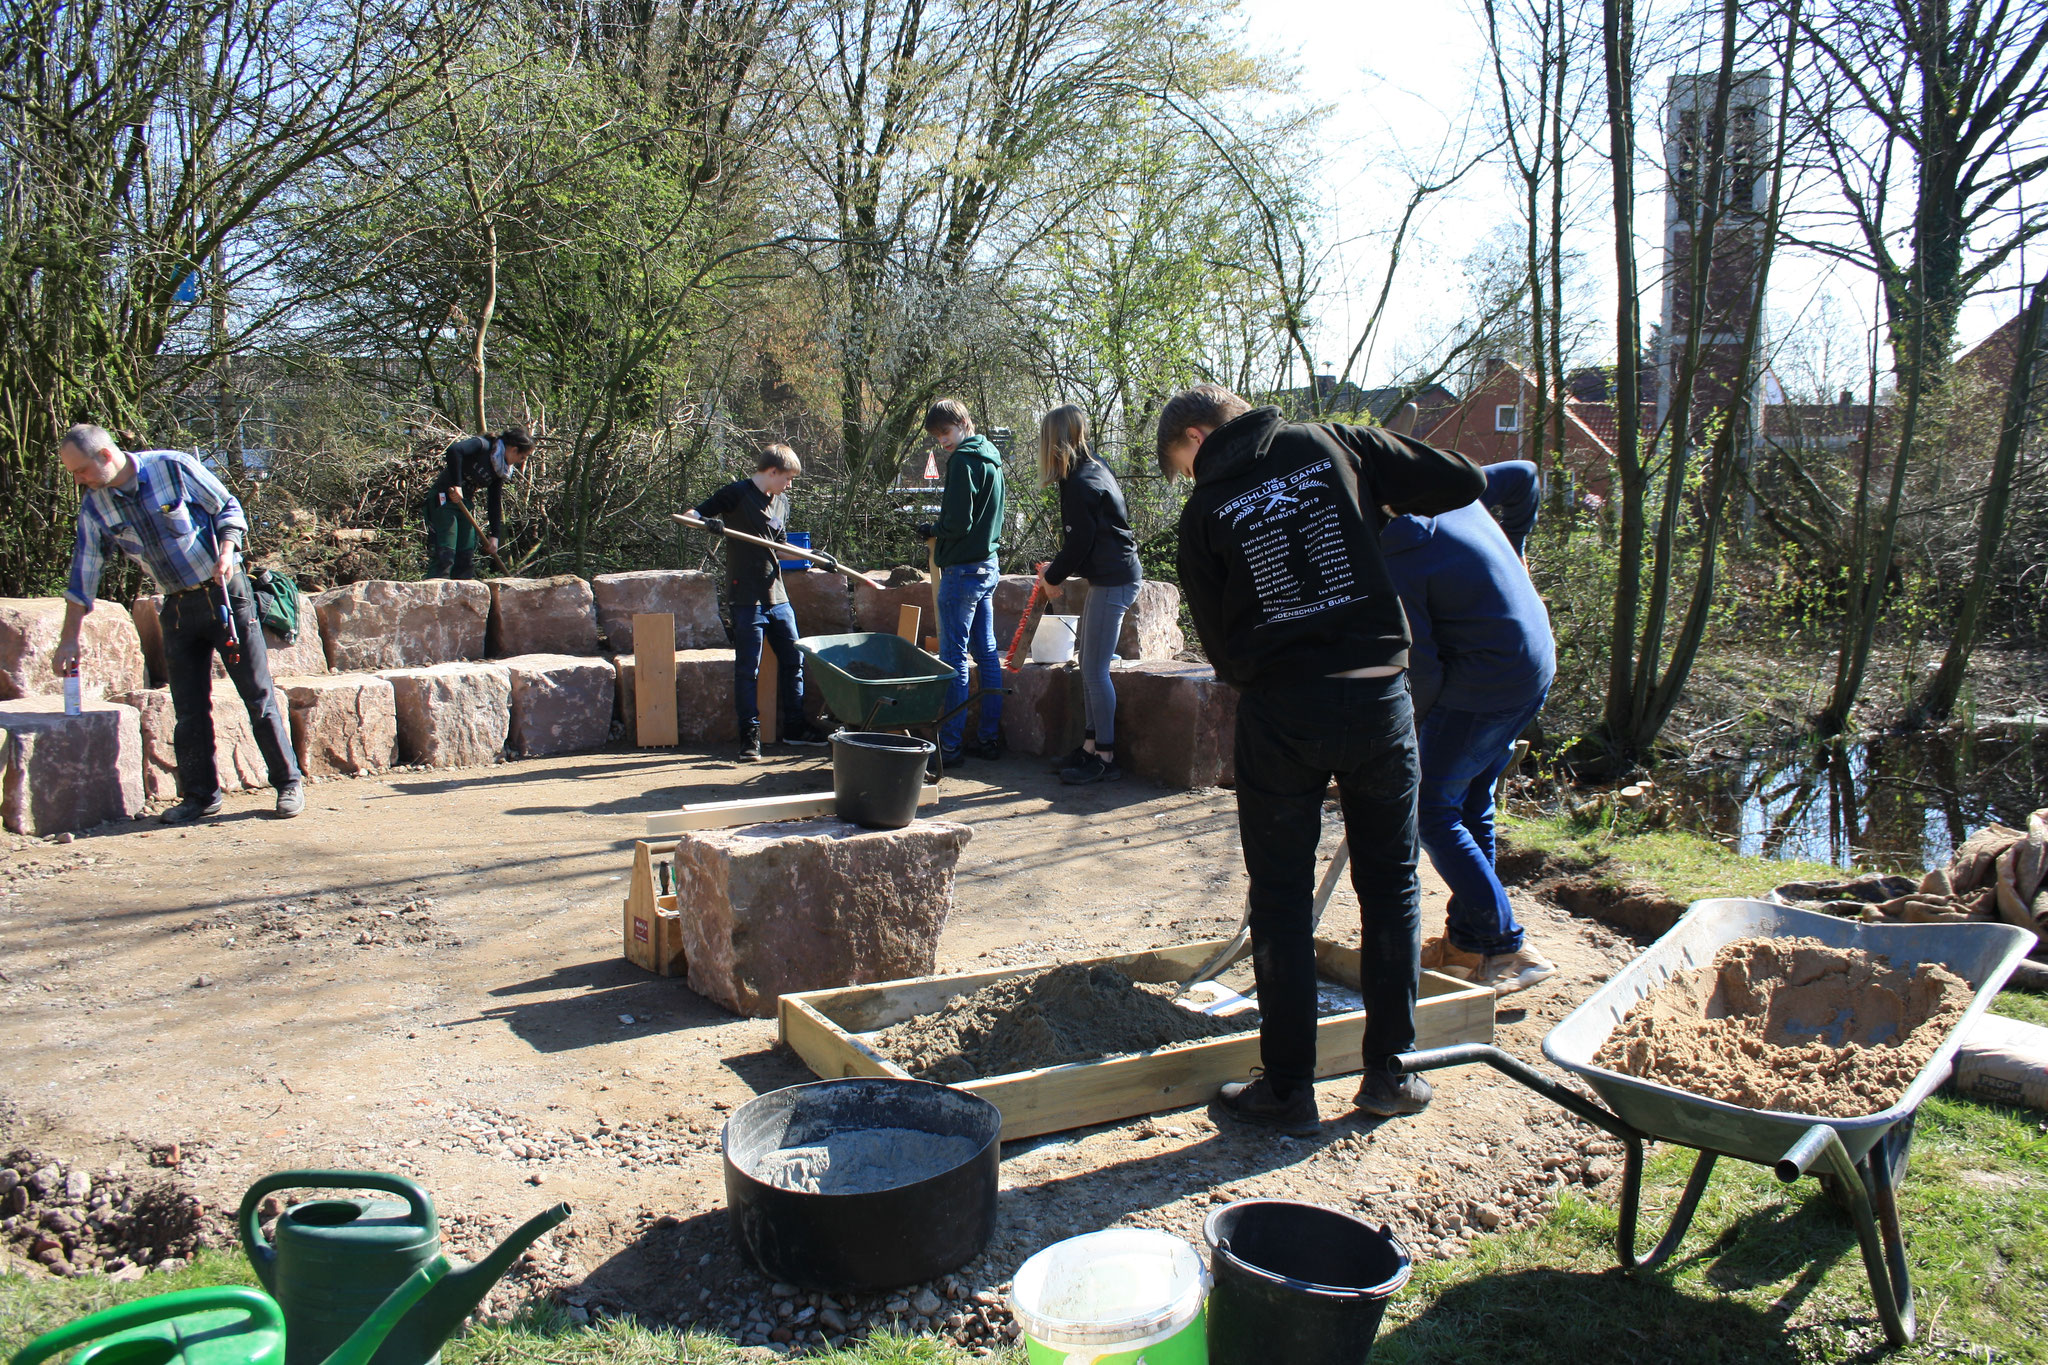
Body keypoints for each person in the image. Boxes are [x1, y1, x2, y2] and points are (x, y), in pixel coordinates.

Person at [1159, 383, 1483, 1131]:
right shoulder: (1334, 442)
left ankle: (1289, 1088)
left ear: (1201, 434)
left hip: (1284, 714)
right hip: (1378, 698)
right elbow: (1462, 479)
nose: (1192, 480)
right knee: (1392, 884)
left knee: (1279, 898)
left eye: (1186, 463)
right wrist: (1379, 508)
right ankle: (1389, 1075)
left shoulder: (1204, 513)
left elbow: (1221, 652)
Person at [55, 424, 304, 823]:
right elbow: (84, 573)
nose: (77, 479)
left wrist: (227, 551)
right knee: (188, 707)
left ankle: (288, 783)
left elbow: (228, 508)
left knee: (257, 694)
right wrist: (69, 639)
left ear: (105, 455)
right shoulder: (95, 507)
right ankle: (200, 796)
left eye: (80, 470)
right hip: (175, 606)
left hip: (225, 594)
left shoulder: (173, 467)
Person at [1382, 461, 1559, 995]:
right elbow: (1524, 476)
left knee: (1429, 808)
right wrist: (1516, 546)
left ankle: (1508, 949)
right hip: (1530, 663)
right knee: (1470, 801)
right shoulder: (1448, 487)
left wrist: (1405, 730)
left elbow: (1425, 666)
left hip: (1486, 683)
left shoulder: (1396, 552)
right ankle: (1468, 943)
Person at [689, 445, 832, 760]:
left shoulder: (781, 502)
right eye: (788, 478)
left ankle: (794, 728)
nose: (790, 485)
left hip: (777, 595)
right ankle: (749, 737)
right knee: (747, 669)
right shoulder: (735, 494)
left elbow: (780, 549)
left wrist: (815, 558)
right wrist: (707, 524)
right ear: (772, 471)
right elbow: (690, 517)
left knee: (794, 661)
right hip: (746, 597)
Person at [1034, 406, 1142, 785]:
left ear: (1054, 440)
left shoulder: (1081, 481)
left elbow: (1080, 542)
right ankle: (1091, 748)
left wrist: (1053, 575)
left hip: (1115, 580)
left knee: (1095, 670)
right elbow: (1086, 536)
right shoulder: (1093, 465)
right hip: (1110, 576)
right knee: (1090, 668)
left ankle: (1106, 758)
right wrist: (1057, 569)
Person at [915, 399, 1006, 767]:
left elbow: (957, 523)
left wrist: (932, 530)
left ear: (964, 423)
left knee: (953, 658)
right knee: (986, 653)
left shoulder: (963, 461)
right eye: (937, 437)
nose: (943, 442)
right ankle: (988, 737)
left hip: (963, 571)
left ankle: (949, 746)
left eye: (947, 433)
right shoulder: (992, 458)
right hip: (988, 566)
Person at [426, 427, 533, 578]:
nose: (521, 462)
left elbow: (494, 500)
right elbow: (454, 451)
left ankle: (463, 597)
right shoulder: (483, 445)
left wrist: (494, 536)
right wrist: (457, 485)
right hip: (444, 497)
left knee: (466, 554)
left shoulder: (499, 469)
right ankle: (435, 594)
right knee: (445, 553)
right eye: (522, 457)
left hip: (464, 503)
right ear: (514, 450)